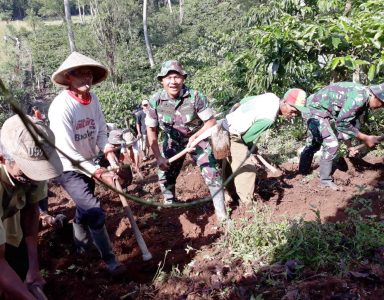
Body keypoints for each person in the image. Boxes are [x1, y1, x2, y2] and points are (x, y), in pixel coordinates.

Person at [48, 51, 126, 276]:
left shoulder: (94, 100)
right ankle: (111, 261)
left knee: (84, 208)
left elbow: (100, 130)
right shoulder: (62, 106)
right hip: (68, 167)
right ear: (69, 78)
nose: (86, 79)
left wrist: (107, 149)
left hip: (88, 162)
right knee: (94, 211)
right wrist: (98, 171)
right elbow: (67, 150)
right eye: (80, 75)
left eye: (89, 74)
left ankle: (80, 246)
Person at [145, 60, 227, 222]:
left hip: (199, 139)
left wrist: (195, 137)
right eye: (168, 78)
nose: (173, 81)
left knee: (211, 172)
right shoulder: (155, 101)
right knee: (164, 172)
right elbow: (151, 131)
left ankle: (222, 214)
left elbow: (210, 122)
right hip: (173, 142)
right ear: (162, 81)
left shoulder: (195, 96)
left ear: (183, 79)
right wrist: (158, 157)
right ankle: (171, 205)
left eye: (176, 77)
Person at [0, 114, 63, 299]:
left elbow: (30, 210)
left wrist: (33, 269)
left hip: (11, 229)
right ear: (3, 158)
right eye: (28, 172)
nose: (35, 179)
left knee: (20, 269)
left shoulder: (34, 167)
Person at [288, 82, 384, 190]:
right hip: (314, 109)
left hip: (321, 110)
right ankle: (324, 182)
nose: (381, 107)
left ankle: (303, 172)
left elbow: (348, 122)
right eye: (382, 103)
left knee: (314, 143)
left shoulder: (364, 99)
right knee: (331, 143)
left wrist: (350, 147)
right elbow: (342, 123)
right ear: (376, 96)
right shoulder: (359, 98)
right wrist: (366, 138)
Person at [222, 91, 304, 207]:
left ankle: (232, 193)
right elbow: (245, 139)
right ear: (285, 102)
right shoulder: (269, 118)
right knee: (247, 169)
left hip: (225, 125)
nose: (294, 114)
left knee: (232, 164)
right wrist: (252, 148)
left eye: (297, 112)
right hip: (233, 135)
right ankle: (249, 206)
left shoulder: (271, 96)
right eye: (293, 110)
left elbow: (242, 102)